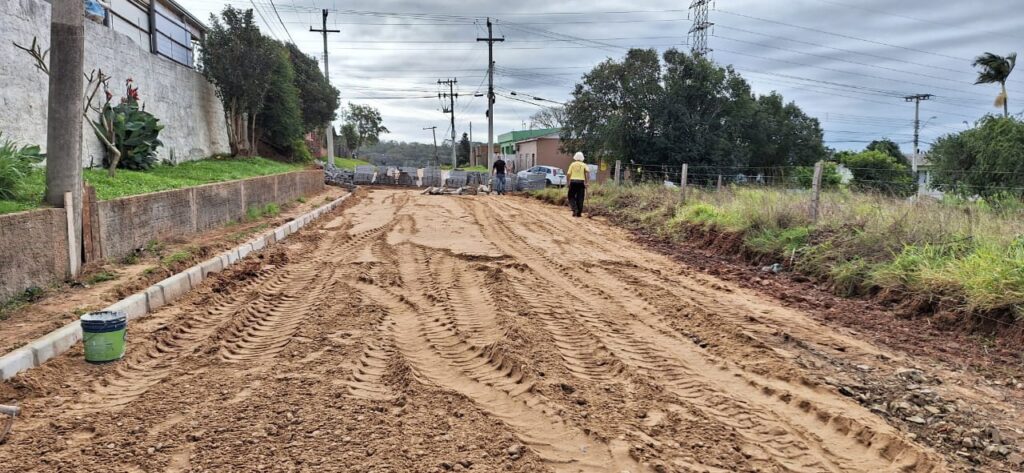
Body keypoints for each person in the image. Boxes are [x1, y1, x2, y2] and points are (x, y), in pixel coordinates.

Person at [566, 152, 589, 217]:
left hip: (573, 182)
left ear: (575, 157)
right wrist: (587, 183)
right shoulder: (584, 165)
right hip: (581, 182)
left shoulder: (572, 164)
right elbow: (586, 173)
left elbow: (568, 174)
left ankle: (575, 209)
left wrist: (568, 182)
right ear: (582, 158)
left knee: (571, 196)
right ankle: (579, 213)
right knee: (580, 198)